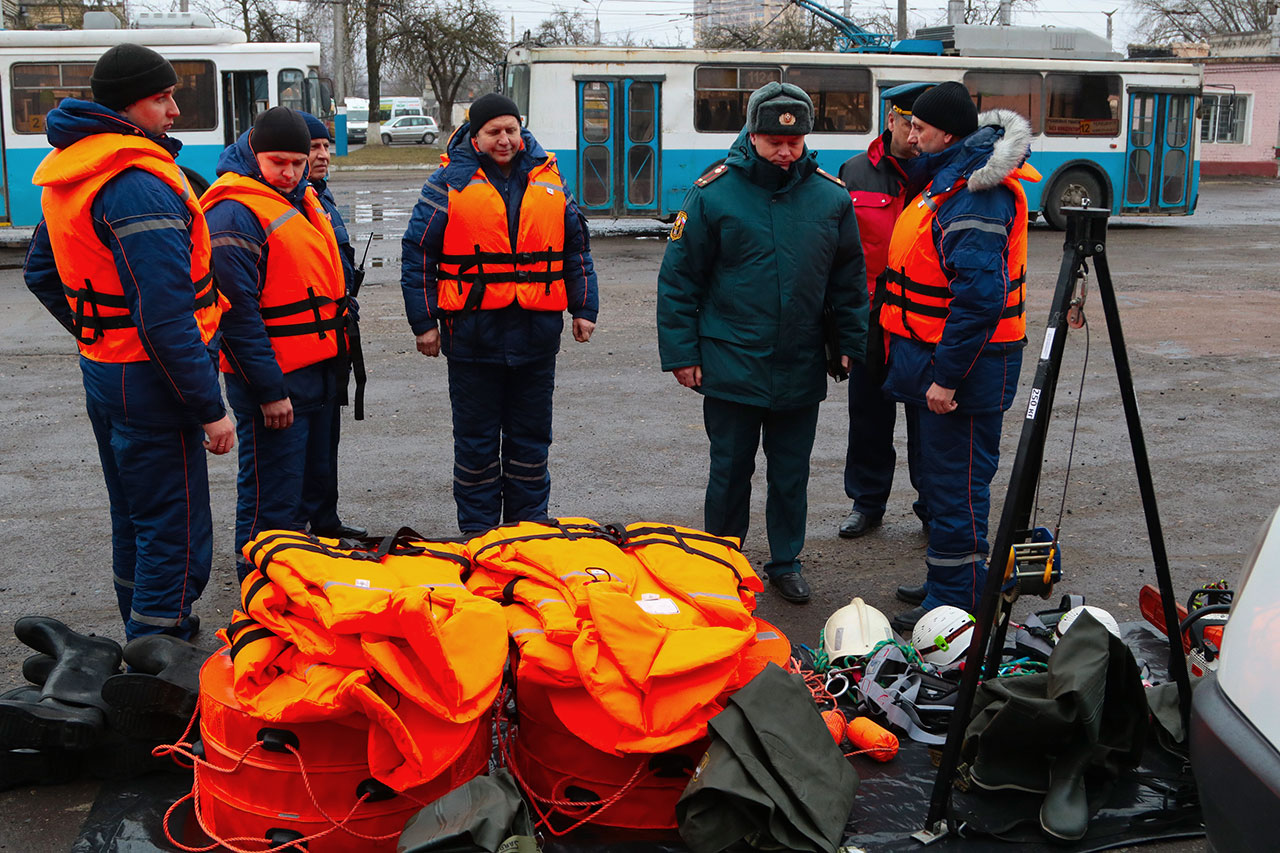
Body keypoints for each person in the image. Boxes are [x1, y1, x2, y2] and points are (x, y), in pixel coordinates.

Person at [23, 43, 234, 641]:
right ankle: (158, 662)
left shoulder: (72, 170)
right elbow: (166, 320)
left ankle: (140, 635)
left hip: (106, 370)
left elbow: (41, 272)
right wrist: (209, 408)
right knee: (175, 527)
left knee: (135, 517)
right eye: (161, 97)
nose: (173, 109)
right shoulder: (136, 182)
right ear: (128, 105)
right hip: (153, 379)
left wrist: (95, 330)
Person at [656, 82, 867, 605]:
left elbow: (848, 279)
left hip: (799, 362)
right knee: (730, 470)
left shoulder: (830, 197)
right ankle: (720, 558)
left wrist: (848, 342)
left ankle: (785, 561)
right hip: (731, 360)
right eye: (774, 140)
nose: (785, 151)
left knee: (791, 473)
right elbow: (679, 279)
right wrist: (682, 354)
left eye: (794, 142)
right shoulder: (713, 193)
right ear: (751, 134)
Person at [876, 81, 1039, 632]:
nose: (911, 135)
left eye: (919, 127)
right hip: (935, 366)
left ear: (948, 132)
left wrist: (946, 379)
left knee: (958, 489)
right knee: (943, 484)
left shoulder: (976, 193)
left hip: (963, 375)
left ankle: (958, 603)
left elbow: (978, 300)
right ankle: (948, 581)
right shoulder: (949, 181)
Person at [400, 93, 598, 533]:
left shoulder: (549, 179)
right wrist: (423, 322)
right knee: (476, 446)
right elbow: (418, 255)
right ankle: (479, 536)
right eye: (494, 132)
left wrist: (584, 307)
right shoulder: (446, 183)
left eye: (511, 129)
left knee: (531, 444)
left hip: (535, 337)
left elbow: (576, 250)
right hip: (473, 337)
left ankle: (528, 535)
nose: (504, 139)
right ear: (475, 137)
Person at [202, 107, 350, 580]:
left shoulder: (304, 199)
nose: (288, 172)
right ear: (253, 156)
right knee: (271, 494)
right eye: (277, 162)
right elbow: (237, 316)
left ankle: (307, 572)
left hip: (317, 368)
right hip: (275, 380)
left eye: (297, 162)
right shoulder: (233, 212)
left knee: (310, 483)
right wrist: (269, 391)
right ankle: (259, 582)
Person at [837, 82, 932, 541]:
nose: (914, 137)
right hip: (871, 316)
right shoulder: (854, 172)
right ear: (891, 120)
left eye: (923, 128)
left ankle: (932, 506)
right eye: (908, 124)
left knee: (926, 417)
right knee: (869, 415)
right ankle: (867, 502)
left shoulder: (941, 174)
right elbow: (840, 253)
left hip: (922, 318)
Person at [299, 111, 367, 539]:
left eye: (325, 146)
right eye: (314, 147)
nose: (323, 154)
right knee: (298, 449)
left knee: (326, 439)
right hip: (301, 342)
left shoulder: (320, 197)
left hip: (333, 336)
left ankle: (326, 521)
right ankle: (296, 534)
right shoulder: (287, 199)